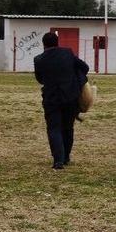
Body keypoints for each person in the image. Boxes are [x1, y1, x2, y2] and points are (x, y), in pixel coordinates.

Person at [33, 32, 89, 170]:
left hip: (51, 98)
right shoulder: (68, 53)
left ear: (43, 44)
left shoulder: (39, 59)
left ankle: (58, 160)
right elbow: (85, 67)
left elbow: (40, 79)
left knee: (54, 128)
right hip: (70, 96)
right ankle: (66, 157)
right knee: (68, 128)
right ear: (58, 42)